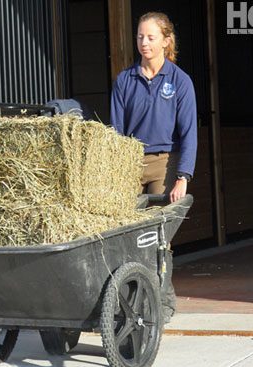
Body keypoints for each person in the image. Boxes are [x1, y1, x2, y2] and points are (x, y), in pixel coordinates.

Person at [110, 11, 197, 323]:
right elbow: (116, 133)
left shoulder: (179, 82)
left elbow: (189, 133)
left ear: (166, 41)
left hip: (165, 163)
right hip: (131, 163)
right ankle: (127, 303)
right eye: (139, 37)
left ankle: (163, 302)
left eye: (150, 37)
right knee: (124, 235)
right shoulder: (124, 80)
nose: (143, 43)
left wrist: (183, 176)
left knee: (158, 237)